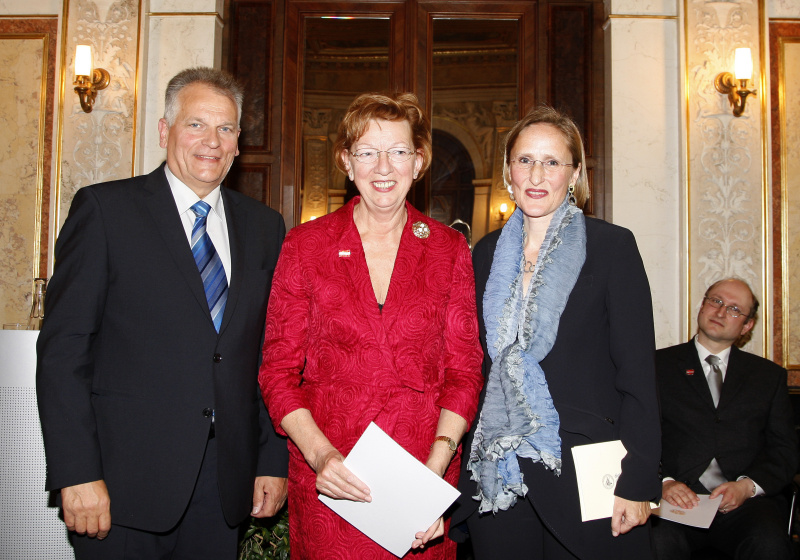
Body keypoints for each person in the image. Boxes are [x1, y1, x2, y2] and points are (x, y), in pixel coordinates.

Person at [36, 67, 289, 559]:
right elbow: (64, 354)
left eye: (226, 128)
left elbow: (268, 355)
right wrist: (77, 472)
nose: (211, 142)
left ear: (239, 142)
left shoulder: (264, 228)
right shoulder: (106, 211)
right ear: (163, 131)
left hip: (224, 489)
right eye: (196, 124)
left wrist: (271, 460)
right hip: (120, 487)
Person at [258, 91, 483, 559]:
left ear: (418, 163)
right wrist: (320, 455)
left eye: (398, 151)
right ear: (346, 161)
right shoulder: (306, 245)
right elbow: (277, 373)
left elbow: (464, 371)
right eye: (367, 152)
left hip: (420, 477)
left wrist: (434, 472)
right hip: (332, 477)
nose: (384, 167)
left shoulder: (449, 249)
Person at [449, 105, 661, 559]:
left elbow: (639, 375)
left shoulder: (611, 247)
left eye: (552, 161)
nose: (536, 173)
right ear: (508, 171)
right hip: (500, 470)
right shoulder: (483, 254)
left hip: (584, 468)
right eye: (525, 160)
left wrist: (640, 478)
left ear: (575, 172)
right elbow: (476, 368)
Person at [652, 278, 798, 559]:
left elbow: (785, 450)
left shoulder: (768, 377)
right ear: (702, 306)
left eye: (734, 309)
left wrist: (747, 486)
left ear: (747, 326)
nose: (720, 312)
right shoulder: (656, 367)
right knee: (656, 543)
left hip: (746, 504)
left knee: (769, 544)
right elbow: (635, 437)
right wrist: (664, 481)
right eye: (715, 301)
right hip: (675, 498)